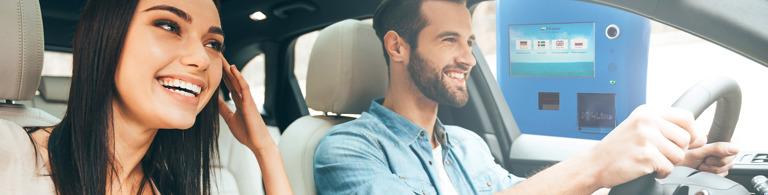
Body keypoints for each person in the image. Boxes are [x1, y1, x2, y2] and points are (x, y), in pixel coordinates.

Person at [313, 0, 739, 194]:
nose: (469, 58)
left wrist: (659, 157)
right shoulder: (346, 150)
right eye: (449, 41)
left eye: (471, 41)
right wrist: (596, 164)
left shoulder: (466, 145)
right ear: (397, 47)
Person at [0, 0, 292, 194]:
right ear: (105, 36)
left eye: (213, 44)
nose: (201, 59)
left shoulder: (171, 187)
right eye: (169, 26)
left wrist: (265, 149)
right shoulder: (9, 154)